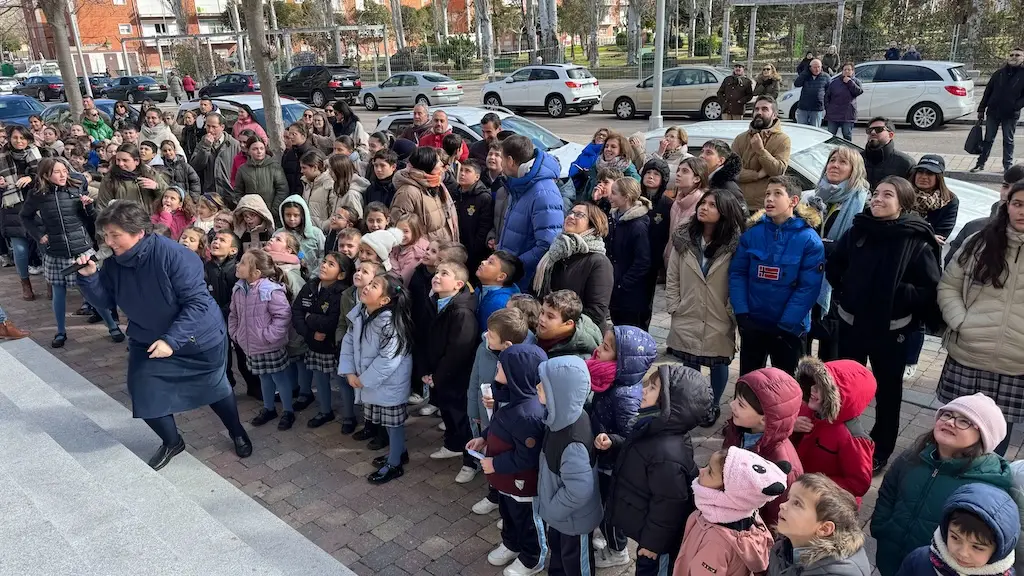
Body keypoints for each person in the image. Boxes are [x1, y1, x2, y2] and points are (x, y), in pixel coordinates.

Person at [75, 201, 252, 470]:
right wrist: (89, 278)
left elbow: (198, 304)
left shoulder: (176, 256)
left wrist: (172, 340)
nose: (108, 242)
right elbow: (106, 300)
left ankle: (236, 430)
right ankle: (172, 441)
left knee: (215, 388)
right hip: (147, 339)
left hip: (196, 338)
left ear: (138, 231)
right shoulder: (113, 265)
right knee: (143, 392)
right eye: (105, 236)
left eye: (115, 235)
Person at [827, 176, 941, 472]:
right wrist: (846, 291)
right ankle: (842, 440)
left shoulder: (915, 238)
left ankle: (880, 449)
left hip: (891, 333)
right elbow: (835, 265)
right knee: (844, 390)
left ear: (902, 202)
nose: (877, 199)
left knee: (888, 394)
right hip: (852, 325)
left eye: (886, 195)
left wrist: (898, 294)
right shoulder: (858, 230)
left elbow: (930, 288)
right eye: (875, 193)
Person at [871, 394, 1014, 576]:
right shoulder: (913, 457)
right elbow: (888, 491)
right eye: (947, 415)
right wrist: (882, 526)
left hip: (935, 567)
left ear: (984, 436)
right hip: (891, 555)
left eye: (964, 421)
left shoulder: (986, 484)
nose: (951, 422)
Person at [938, 182, 1024, 456]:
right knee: (952, 434)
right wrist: (962, 322)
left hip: (1015, 364)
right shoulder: (980, 241)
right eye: (1018, 204)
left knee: (995, 443)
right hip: (969, 355)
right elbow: (948, 286)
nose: (1022, 211)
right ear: (1007, 206)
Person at [599, 365, 707, 574]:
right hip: (648, 533)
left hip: (659, 544)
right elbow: (640, 451)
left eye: (652, 387)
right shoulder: (655, 427)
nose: (643, 391)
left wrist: (654, 543)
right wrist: (614, 443)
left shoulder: (667, 454)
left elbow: (669, 505)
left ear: (669, 402)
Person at [21, 157, 124, 347]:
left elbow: (92, 218)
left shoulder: (75, 188)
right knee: (58, 292)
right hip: (55, 250)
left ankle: (112, 325)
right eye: (57, 172)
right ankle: (61, 332)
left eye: (64, 170)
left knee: (91, 291)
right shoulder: (37, 194)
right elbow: (25, 216)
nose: (63, 175)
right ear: (46, 174)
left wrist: (88, 206)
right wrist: (39, 235)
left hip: (81, 250)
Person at [666, 189, 746, 427]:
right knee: (690, 362)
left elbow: (739, 278)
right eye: (703, 203)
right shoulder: (684, 238)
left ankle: (712, 404)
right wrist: (673, 304)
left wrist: (731, 310)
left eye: (712, 205)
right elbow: (673, 275)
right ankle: (692, 403)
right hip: (687, 310)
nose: (704, 207)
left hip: (718, 312)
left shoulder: (736, 243)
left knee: (719, 362)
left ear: (725, 211)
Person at [730, 177, 824, 375]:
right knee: (750, 381)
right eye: (767, 194)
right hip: (754, 323)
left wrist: (787, 324)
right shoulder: (752, 234)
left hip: (789, 329)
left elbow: (808, 287)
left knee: (787, 385)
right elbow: (738, 273)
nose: (769, 199)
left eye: (777, 194)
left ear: (793, 200)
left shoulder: (808, 239)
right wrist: (742, 313)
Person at [469, 343, 548, 576]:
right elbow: (499, 426)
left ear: (517, 374)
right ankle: (511, 544)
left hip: (522, 483)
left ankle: (532, 558)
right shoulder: (512, 398)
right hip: (505, 480)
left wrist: (494, 464)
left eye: (502, 365)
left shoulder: (529, 415)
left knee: (527, 521)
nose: (497, 367)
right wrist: (484, 438)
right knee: (508, 513)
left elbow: (527, 457)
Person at [587, 326, 658, 569]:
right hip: (604, 458)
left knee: (610, 511)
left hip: (612, 465)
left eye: (606, 348)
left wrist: (611, 440)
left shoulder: (624, 395)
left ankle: (617, 551)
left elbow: (631, 436)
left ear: (624, 361)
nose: (597, 350)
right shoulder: (610, 379)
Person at [342, 272, 415, 484]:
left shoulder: (390, 323)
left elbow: (388, 360)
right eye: (370, 283)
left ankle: (395, 464)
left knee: (393, 424)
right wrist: (349, 371)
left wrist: (363, 379)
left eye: (374, 286)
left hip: (389, 384)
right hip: (370, 382)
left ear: (384, 300)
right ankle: (398, 453)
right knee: (385, 421)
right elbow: (348, 343)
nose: (367, 287)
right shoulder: (360, 313)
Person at [534, 355, 603, 576]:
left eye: (543, 385)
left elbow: (580, 490)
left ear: (560, 395)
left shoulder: (573, 441)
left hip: (572, 520)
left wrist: (553, 509)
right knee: (560, 559)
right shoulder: (560, 419)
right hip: (562, 518)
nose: (537, 387)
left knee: (576, 565)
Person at [673, 447, 787, 576]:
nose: (701, 471)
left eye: (710, 472)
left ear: (728, 493)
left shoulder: (715, 543)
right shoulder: (749, 514)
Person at [803, 147, 870, 361]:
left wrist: (824, 247)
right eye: (832, 160)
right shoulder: (813, 198)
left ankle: (828, 394)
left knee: (831, 354)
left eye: (843, 162)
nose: (834, 165)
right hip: (807, 280)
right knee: (802, 347)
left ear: (854, 170)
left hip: (838, 287)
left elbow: (855, 247)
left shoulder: (863, 203)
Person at [424, 261, 480, 483]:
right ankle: (452, 444)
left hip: (456, 376)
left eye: (443, 274)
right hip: (439, 373)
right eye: (436, 272)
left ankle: (470, 462)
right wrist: (428, 370)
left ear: (458, 284)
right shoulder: (435, 301)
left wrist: (438, 375)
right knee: (447, 412)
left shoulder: (462, 312)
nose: (436, 276)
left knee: (461, 418)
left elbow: (459, 349)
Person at [792, 358, 877, 503]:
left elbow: (858, 484)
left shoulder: (852, 438)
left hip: (823, 502)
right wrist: (791, 426)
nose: (812, 389)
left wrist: (815, 484)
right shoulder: (806, 409)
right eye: (812, 383)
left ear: (838, 397)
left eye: (820, 387)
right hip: (801, 489)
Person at [229, 249, 296, 428]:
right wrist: (236, 333)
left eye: (243, 263)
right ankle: (269, 408)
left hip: (270, 345)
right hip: (251, 345)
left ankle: (288, 411)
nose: (238, 265)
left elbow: (283, 316)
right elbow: (233, 314)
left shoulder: (270, 290)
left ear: (256, 272)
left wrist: (269, 336)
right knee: (264, 378)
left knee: (279, 378)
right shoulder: (238, 288)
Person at [897, 483, 1020, 576]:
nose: (962, 553)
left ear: (999, 550)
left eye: (977, 547)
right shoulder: (920, 560)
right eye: (955, 537)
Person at [495, 135, 564, 291]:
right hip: (510, 274)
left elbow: (547, 244)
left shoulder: (543, 193)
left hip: (525, 280)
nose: (499, 163)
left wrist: (513, 264)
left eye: (501, 157)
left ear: (511, 161)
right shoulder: (519, 183)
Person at [769, 473, 872, 576]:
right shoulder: (783, 546)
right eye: (788, 498)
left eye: (797, 503)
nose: (782, 505)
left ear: (824, 528)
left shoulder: (838, 573)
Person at [292, 251, 350, 432]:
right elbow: (297, 312)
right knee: (320, 377)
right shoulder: (310, 286)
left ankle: (349, 416)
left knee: (342, 382)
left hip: (334, 346)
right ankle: (325, 411)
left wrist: (310, 318)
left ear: (341, 274)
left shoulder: (342, 293)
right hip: (314, 344)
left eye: (331, 264)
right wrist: (310, 334)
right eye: (324, 261)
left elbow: (333, 321)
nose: (324, 265)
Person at [533, 201, 613, 328]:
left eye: (579, 215)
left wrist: (561, 325)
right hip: (546, 327)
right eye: (570, 213)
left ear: (593, 225)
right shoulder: (556, 252)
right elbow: (536, 292)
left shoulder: (598, 262)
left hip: (577, 335)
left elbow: (596, 312)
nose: (570, 216)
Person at [946, 165, 1024, 266]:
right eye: (1005, 186)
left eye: (1016, 188)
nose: (1007, 193)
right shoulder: (974, 229)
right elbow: (951, 269)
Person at [0, 125, 43, 300]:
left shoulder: (39, 154)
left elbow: (46, 176)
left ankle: (50, 282)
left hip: (37, 204)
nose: (19, 141)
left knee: (44, 245)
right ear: (9, 139)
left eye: (22, 138)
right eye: (15, 138)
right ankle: (25, 284)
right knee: (20, 249)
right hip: (13, 206)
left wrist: (31, 178)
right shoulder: (1, 157)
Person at [605, 178, 652, 328]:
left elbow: (642, 261)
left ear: (626, 197)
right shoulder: (613, 219)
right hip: (615, 287)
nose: (610, 196)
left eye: (614, 193)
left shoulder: (637, 226)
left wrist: (622, 284)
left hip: (630, 293)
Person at [733, 96, 792, 210]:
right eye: (756, 109)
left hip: (764, 207)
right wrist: (757, 175)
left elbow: (778, 171)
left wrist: (760, 150)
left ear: (774, 115)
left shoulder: (783, 140)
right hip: (738, 203)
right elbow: (731, 171)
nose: (759, 112)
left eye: (764, 109)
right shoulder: (740, 139)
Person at [391, 146, 459, 242]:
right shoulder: (408, 193)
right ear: (427, 164)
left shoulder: (435, 184)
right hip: (423, 252)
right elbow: (399, 227)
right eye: (437, 161)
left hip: (441, 249)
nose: (441, 164)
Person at [972, 48, 1024, 174]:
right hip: (993, 112)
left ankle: (1007, 166)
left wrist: (1016, 105)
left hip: (1011, 114)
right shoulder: (999, 73)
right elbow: (988, 92)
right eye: (1011, 54)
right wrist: (981, 109)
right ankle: (981, 163)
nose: (1014, 57)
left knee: (1008, 140)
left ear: (1022, 58)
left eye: (1017, 55)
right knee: (988, 139)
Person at [96, 143, 167, 212]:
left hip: (150, 220)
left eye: (125, 160)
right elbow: (102, 206)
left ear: (136, 161)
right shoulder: (110, 179)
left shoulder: (149, 173)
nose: (120, 164)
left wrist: (157, 187)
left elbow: (169, 195)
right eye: (118, 160)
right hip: (123, 221)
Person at [536, 289, 603, 360]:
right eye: (542, 312)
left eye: (550, 317)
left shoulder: (578, 358)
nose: (542, 319)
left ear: (568, 324)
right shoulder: (536, 333)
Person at [453, 159, 493, 273]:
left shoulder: (483, 197)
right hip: (455, 245)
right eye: (461, 170)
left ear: (477, 177)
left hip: (472, 251)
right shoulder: (455, 192)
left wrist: (474, 251)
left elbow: (484, 228)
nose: (462, 174)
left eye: (467, 171)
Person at [234, 137, 288, 221]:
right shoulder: (243, 169)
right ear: (248, 151)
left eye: (261, 148)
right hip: (250, 214)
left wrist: (273, 210)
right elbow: (238, 192)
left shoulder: (274, 166)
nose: (259, 151)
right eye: (255, 149)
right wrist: (246, 209)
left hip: (272, 214)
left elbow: (282, 189)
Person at [861, 116, 916, 198]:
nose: (872, 132)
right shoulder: (856, 159)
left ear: (891, 135)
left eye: (878, 129)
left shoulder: (906, 163)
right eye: (869, 130)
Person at [191, 113, 240, 202]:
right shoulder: (202, 143)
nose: (210, 130)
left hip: (229, 194)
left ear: (222, 127)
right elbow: (195, 166)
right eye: (208, 126)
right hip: (210, 194)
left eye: (214, 127)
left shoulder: (234, 145)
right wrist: (206, 147)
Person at [580, 131, 641, 202]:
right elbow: (586, 197)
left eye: (613, 147)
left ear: (621, 151)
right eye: (606, 146)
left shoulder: (630, 174)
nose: (608, 149)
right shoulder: (596, 166)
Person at [475, 250, 523, 329]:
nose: (483, 262)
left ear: (501, 277)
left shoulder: (498, 304)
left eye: (490, 262)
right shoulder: (483, 285)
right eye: (487, 259)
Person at [824, 63, 864, 141]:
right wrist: (828, 108)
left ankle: (847, 152)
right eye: (845, 69)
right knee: (830, 136)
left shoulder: (856, 82)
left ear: (852, 71)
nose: (846, 71)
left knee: (847, 135)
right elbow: (827, 96)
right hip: (833, 114)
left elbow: (858, 92)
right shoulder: (835, 82)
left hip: (848, 114)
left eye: (849, 70)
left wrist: (850, 82)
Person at [388, 213, 430, 286]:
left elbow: (402, 281)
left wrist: (391, 259)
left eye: (406, 231)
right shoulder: (396, 245)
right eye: (398, 231)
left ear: (415, 232)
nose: (401, 235)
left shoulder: (415, 255)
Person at [793, 59, 831, 128]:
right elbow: (797, 84)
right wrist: (805, 72)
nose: (817, 69)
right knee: (801, 129)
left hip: (817, 109)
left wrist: (826, 106)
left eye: (819, 67)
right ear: (810, 68)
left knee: (815, 130)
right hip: (803, 108)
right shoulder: (806, 75)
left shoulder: (826, 77)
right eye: (814, 67)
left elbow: (829, 93)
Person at [282, 122, 315, 200]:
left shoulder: (313, 154)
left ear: (303, 136)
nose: (290, 137)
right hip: (290, 196)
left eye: (294, 134)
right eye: (290, 134)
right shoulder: (289, 154)